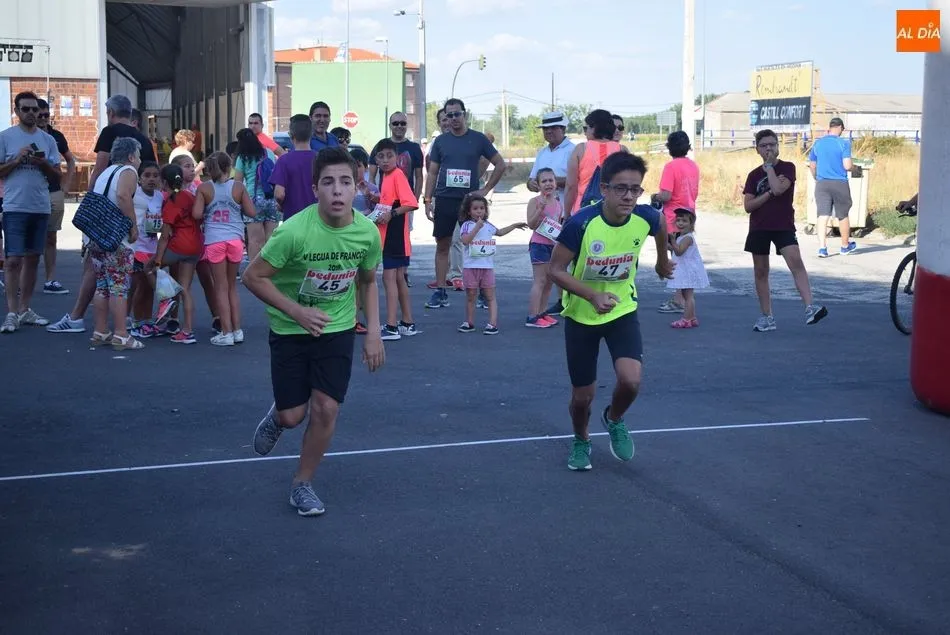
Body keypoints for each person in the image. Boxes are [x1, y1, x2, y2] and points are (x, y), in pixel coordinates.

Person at [243, 146, 385, 517]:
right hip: (290, 328)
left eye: (345, 182)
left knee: (326, 408)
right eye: (328, 182)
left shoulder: (367, 233)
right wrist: (297, 311)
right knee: (294, 416)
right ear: (314, 189)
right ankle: (279, 416)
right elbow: (252, 277)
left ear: (357, 187)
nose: (337, 190)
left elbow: (368, 281)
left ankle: (302, 484)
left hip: (337, 327)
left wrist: (373, 332)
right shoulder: (293, 232)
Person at [548, 152, 674, 471]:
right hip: (581, 316)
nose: (629, 196)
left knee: (631, 381)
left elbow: (660, 223)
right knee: (582, 397)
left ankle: (614, 418)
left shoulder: (644, 217)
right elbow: (555, 270)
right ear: (604, 189)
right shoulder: (581, 224)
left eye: (635, 189)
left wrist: (662, 260)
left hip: (621, 311)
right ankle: (581, 439)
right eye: (621, 188)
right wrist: (591, 295)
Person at [45, 94, 155, 335]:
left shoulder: (110, 135)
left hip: (111, 215)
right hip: (138, 207)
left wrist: (92, 203)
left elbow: (99, 168)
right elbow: (153, 173)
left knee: (98, 272)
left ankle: (85, 320)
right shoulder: (143, 141)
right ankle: (123, 323)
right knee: (122, 275)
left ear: (111, 113)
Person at [422, 98, 507, 309]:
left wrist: (485, 190)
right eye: (449, 115)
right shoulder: (440, 142)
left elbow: (500, 164)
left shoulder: (478, 139)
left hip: (470, 202)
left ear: (465, 114)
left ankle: (482, 293)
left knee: (476, 245)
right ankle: (441, 291)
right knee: (443, 245)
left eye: (457, 114)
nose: (453, 118)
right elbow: (432, 172)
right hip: (444, 199)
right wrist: (427, 199)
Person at [743, 129, 828, 331]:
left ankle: (809, 307)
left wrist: (770, 169)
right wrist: (767, 194)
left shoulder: (787, 168)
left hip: (782, 224)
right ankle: (767, 316)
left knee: (795, 262)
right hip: (759, 226)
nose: (769, 149)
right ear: (757, 149)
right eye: (764, 145)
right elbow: (748, 205)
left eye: (772, 144)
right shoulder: (753, 175)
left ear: (778, 146)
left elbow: (779, 189)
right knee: (761, 271)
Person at [0, 91, 61, 333]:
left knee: (33, 258)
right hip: (14, 206)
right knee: (13, 260)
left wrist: (43, 163)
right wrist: (17, 160)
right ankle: (12, 312)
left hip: (40, 206)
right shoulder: (6, 137)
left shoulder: (48, 140)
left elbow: (57, 175)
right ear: (16, 111)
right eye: (26, 109)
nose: (31, 113)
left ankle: (25, 309)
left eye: (35, 109)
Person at [193, 152, 256, 346]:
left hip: (214, 240)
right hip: (235, 239)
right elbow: (252, 212)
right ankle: (237, 330)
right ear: (229, 167)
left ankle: (226, 332)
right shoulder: (238, 187)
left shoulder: (204, 188)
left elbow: (196, 214)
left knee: (220, 287)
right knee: (231, 288)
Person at [87, 137, 144, 350]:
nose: (140, 160)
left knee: (102, 285)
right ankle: (121, 334)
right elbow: (122, 196)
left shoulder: (105, 172)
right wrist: (133, 226)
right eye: (138, 156)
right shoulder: (128, 171)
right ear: (131, 156)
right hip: (116, 239)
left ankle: (100, 330)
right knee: (119, 286)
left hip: (97, 236)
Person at [527, 111, 575, 316]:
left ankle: (568, 299)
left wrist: (551, 182)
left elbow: (576, 180)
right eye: (545, 129)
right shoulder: (542, 152)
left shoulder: (572, 150)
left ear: (563, 128)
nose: (548, 132)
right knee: (550, 264)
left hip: (567, 210)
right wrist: (534, 183)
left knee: (566, 259)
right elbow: (531, 179)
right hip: (544, 215)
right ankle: (557, 302)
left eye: (553, 128)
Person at [457, 194, 527, 334]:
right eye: (475, 208)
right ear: (469, 211)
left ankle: (492, 323)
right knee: (471, 295)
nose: (479, 211)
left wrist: (514, 226)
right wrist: (476, 228)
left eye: (482, 208)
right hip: (471, 266)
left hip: (487, 267)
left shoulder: (488, 225)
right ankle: (469, 322)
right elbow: (465, 240)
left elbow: (500, 232)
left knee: (490, 295)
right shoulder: (466, 225)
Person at [371, 138, 419, 341]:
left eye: (389, 156)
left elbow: (411, 203)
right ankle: (407, 322)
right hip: (391, 234)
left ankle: (391, 326)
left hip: (395, 235)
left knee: (389, 278)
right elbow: (391, 201)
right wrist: (375, 198)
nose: (385, 160)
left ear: (397, 157)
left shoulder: (397, 175)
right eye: (380, 157)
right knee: (398, 278)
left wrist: (391, 214)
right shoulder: (386, 176)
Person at [153, 163, 202, 344]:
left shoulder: (171, 201)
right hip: (196, 244)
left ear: (164, 182)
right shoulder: (189, 196)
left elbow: (165, 236)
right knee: (185, 288)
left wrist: (158, 260)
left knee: (148, 268)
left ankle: (166, 298)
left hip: (179, 244)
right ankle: (187, 330)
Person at [653, 131, 700, 314]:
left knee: (676, 258)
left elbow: (666, 195)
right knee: (683, 257)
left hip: (673, 217)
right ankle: (683, 298)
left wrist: (655, 197)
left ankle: (678, 300)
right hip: (689, 213)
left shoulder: (671, 167)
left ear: (669, 147)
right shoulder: (693, 166)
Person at [36, 98, 76, 295]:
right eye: (40, 115)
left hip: (53, 191)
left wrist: (66, 185)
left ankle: (50, 279)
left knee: (51, 236)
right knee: (30, 236)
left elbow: (70, 160)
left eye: (46, 115)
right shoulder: (24, 136)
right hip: (32, 192)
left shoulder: (56, 136)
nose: (43, 118)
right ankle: (21, 280)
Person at [809, 117, 856, 257]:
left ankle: (822, 248)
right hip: (839, 183)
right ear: (840, 127)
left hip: (822, 183)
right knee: (842, 214)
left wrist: (817, 178)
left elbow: (812, 165)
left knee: (822, 215)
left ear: (830, 128)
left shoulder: (818, 144)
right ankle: (845, 246)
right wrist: (854, 168)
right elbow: (847, 165)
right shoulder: (844, 143)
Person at [564, 109, 626, 215]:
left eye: (586, 128)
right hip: (614, 211)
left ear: (594, 127)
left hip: (584, 210)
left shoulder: (580, 149)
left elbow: (571, 186)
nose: (585, 132)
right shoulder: (622, 150)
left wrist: (566, 214)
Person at [233, 128, 280, 264]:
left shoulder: (243, 158)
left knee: (255, 240)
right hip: (271, 199)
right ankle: (271, 269)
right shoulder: (269, 153)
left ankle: (255, 270)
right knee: (271, 239)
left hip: (252, 201)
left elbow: (238, 182)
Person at [128, 161, 164, 338]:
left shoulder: (160, 196)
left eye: (155, 176)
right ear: (139, 178)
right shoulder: (134, 194)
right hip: (136, 247)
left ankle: (147, 321)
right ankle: (135, 321)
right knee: (138, 286)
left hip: (152, 247)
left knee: (149, 287)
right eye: (147, 175)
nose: (151, 179)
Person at [525, 168, 562, 328]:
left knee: (549, 282)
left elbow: (557, 225)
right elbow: (531, 224)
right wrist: (539, 210)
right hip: (538, 245)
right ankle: (532, 317)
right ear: (538, 185)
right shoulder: (534, 201)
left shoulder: (558, 203)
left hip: (552, 246)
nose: (548, 184)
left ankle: (542, 312)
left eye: (550, 180)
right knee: (540, 281)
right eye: (544, 181)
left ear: (556, 183)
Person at [666, 209, 709, 329]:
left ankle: (686, 319)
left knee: (688, 296)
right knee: (686, 294)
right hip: (685, 269)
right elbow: (676, 249)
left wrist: (673, 241)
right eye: (678, 220)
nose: (680, 223)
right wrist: (668, 245)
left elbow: (679, 251)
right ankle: (692, 317)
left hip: (688, 270)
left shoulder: (688, 238)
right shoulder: (682, 236)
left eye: (684, 221)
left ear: (691, 223)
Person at [270, 114, 318, 220]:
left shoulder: (284, 161)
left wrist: (281, 205)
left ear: (291, 135)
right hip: (317, 218)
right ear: (311, 133)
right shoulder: (321, 158)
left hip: (293, 219)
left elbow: (279, 194)